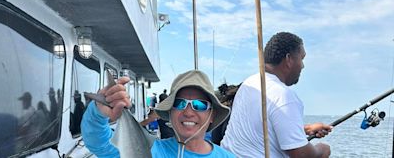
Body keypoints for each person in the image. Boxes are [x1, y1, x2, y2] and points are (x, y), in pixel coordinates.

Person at [221, 32, 332, 158]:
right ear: (289, 59)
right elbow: (301, 155)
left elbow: (263, 129)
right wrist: (322, 149)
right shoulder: (284, 95)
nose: (302, 66)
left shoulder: (249, 83)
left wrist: (306, 129)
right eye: (302, 58)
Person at [81, 70, 235, 157]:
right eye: (179, 103)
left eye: (199, 105)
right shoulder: (150, 150)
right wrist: (98, 112)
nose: (188, 112)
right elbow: (98, 143)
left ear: (212, 115)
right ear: (171, 112)